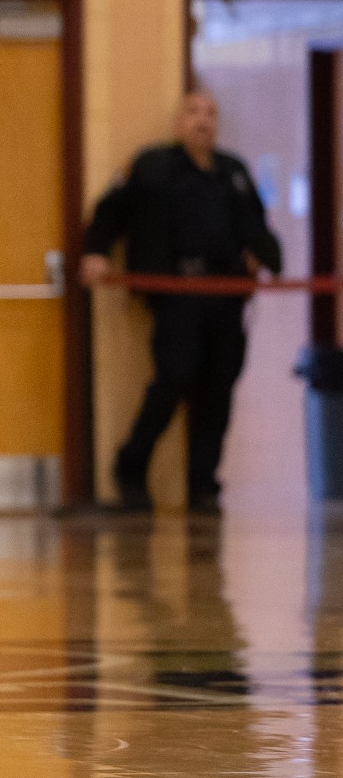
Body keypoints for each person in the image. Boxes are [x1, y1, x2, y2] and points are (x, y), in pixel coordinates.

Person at [82, 89, 282, 514]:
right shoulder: (152, 167)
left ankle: (203, 484)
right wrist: (96, 252)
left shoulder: (233, 173)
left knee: (218, 390)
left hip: (225, 296)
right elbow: (110, 210)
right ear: (178, 121)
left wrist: (264, 256)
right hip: (177, 294)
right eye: (193, 112)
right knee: (174, 377)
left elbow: (257, 227)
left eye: (210, 113)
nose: (202, 121)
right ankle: (132, 465)